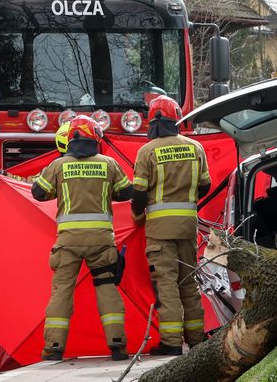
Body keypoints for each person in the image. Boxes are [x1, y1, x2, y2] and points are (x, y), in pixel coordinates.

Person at [32, 115, 133, 362]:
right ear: (94, 138)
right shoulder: (108, 163)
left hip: (68, 243)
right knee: (107, 288)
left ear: (72, 137)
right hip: (101, 242)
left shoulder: (58, 165)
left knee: (62, 291)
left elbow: (38, 193)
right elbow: (126, 192)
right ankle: (117, 345)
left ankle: (54, 348)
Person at [132, 96, 212, 356]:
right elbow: (205, 186)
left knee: (166, 284)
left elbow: (139, 194)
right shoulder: (195, 147)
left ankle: (171, 342)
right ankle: (198, 339)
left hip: (159, 231)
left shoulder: (147, 151)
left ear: (153, 119)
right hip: (188, 228)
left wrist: (136, 215)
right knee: (189, 283)